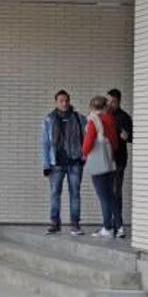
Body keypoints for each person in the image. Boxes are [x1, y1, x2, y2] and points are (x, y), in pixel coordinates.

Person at [40, 89, 85, 236]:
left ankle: (75, 224)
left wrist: (83, 157)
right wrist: (46, 164)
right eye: (61, 101)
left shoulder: (79, 118)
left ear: (69, 101)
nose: (64, 103)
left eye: (66, 100)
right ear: (56, 102)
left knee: (75, 193)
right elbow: (45, 143)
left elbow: (86, 139)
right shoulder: (49, 119)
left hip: (75, 162)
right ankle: (54, 222)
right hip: (56, 163)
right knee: (54, 193)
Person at [82, 95, 120, 238]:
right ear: (105, 106)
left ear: (92, 107)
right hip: (109, 161)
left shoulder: (94, 120)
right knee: (110, 195)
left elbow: (88, 143)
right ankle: (118, 225)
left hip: (98, 162)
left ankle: (107, 227)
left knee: (103, 196)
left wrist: (84, 154)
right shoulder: (110, 119)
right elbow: (115, 142)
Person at [107, 88, 132, 239]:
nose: (110, 104)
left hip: (118, 160)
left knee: (116, 193)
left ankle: (118, 225)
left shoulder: (124, 117)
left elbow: (131, 137)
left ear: (118, 102)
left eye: (113, 102)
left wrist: (126, 136)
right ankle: (109, 224)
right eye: (108, 101)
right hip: (105, 161)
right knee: (107, 193)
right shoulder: (104, 115)